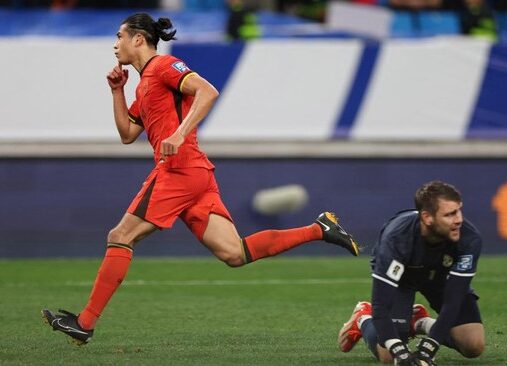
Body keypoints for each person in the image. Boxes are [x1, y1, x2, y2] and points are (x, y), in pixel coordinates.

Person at [41, 13, 359, 345]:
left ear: (138, 39)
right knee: (234, 254)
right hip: (195, 175)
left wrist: (179, 134)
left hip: (178, 171)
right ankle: (319, 228)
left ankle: (86, 322)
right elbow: (127, 134)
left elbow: (208, 91)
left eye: (119, 36)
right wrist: (117, 91)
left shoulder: (164, 67)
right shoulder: (143, 83)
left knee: (120, 235)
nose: (115, 43)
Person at [337, 180, 484, 365]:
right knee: (389, 357)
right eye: (450, 214)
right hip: (403, 279)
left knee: (473, 345)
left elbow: (452, 302)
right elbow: (381, 307)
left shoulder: (468, 239)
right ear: (427, 217)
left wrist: (429, 347)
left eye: (459, 210)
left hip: (440, 277)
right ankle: (364, 318)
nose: (459, 219)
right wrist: (399, 351)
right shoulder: (396, 239)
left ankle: (418, 322)